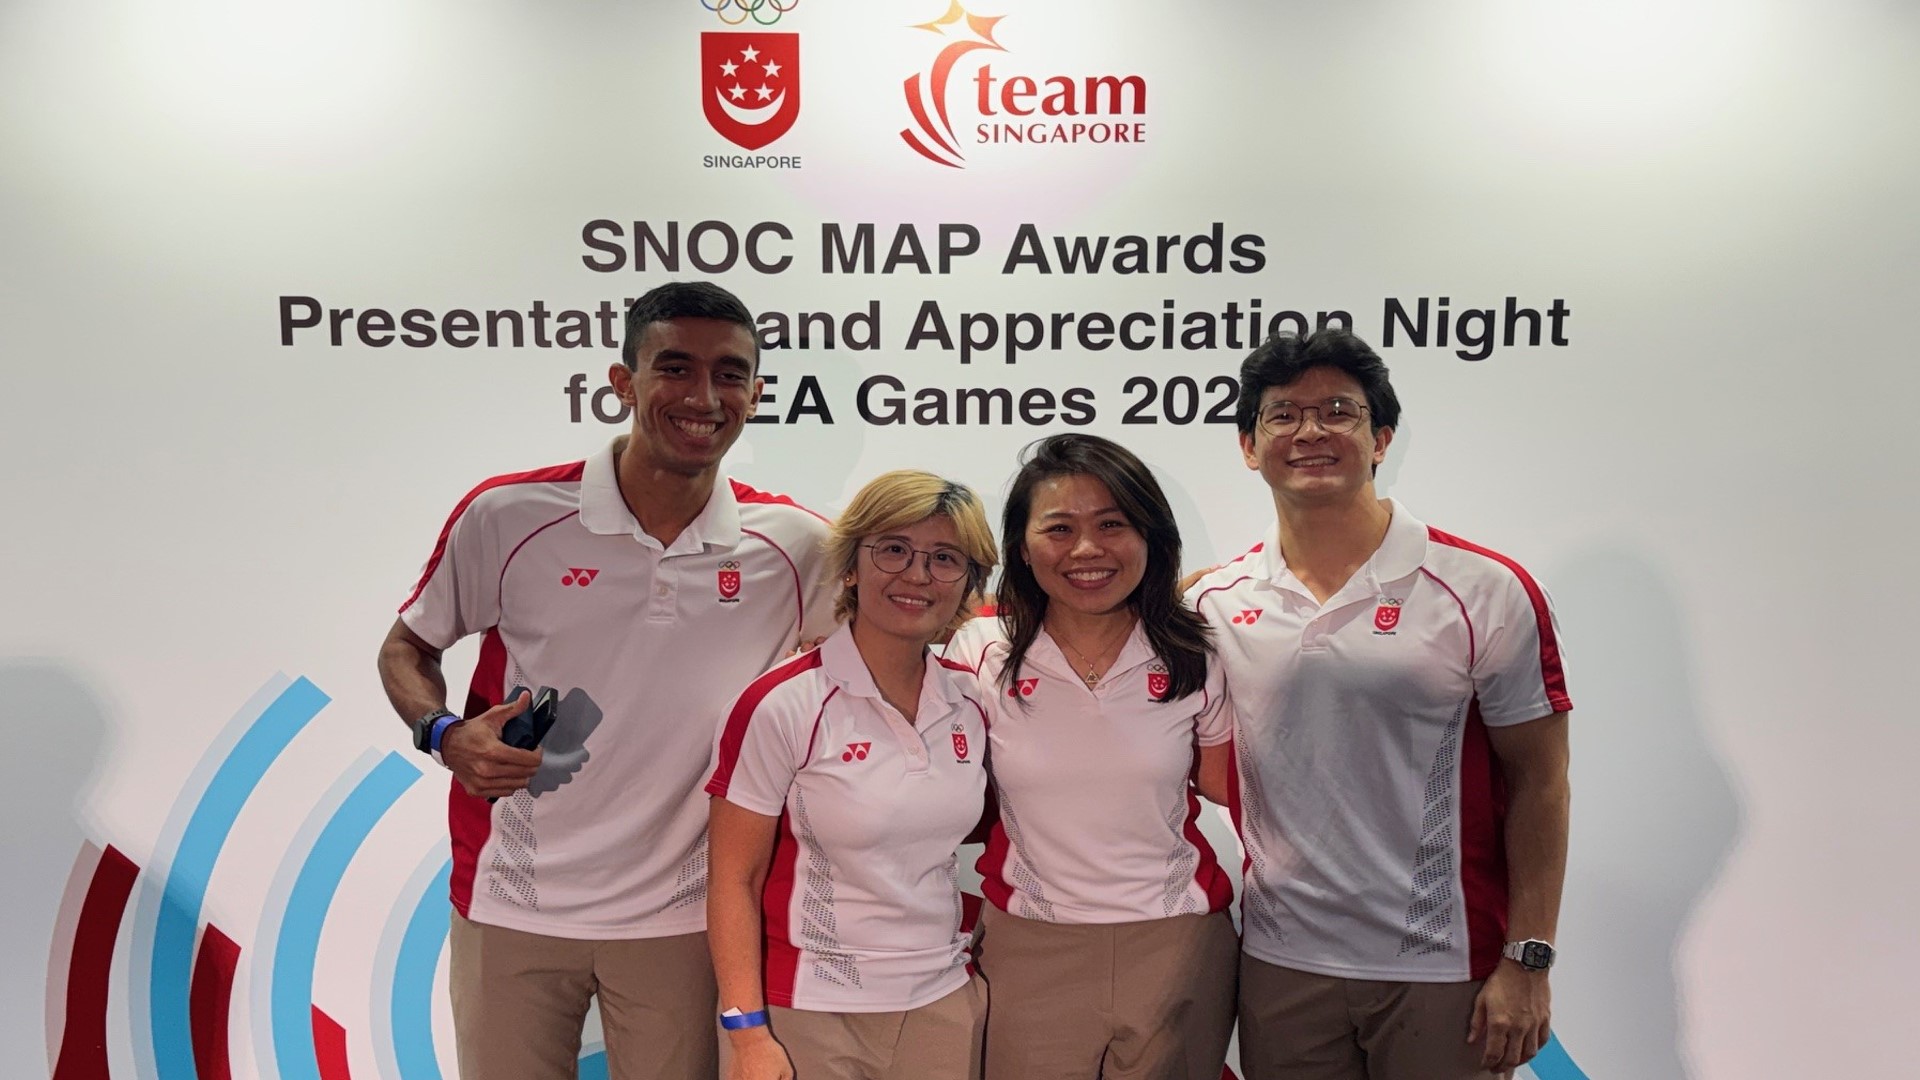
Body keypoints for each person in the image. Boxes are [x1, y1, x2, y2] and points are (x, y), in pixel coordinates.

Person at [376, 281, 836, 1080]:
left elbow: (879, 650)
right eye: (675, 368)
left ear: (757, 394)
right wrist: (445, 735)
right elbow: (405, 650)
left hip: (685, 918)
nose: (704, 397)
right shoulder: (510, 515)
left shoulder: (795, 546)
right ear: (623, 382)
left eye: (729, 374)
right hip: (512, 901)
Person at [1187, 328, 1573, 1080]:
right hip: (1281, 961)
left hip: (1442, 963)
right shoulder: (1212, 603)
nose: (1310, 431)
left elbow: (1542, 781)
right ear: (1248, 446)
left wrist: (1529, 959)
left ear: (1381, 438)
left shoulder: (1485, 590)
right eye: (1282, 415)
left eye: (1339, 411)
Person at [944, 434, 1239, 1080]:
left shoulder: (1196, 650)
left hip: (1179, 944)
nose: (1086, 550)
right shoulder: (979, 651)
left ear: (1151, 537)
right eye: (1059, 528)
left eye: (1112, 525)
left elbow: (1226, 786)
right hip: (1030, 946)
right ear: (1023, 547)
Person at [704, 471, 999, 1080]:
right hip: (808, 1013)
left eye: (945, 558)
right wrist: (746, 1032)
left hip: (942, 1004)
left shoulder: (971, 698)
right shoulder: (782, 703)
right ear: (851, 567)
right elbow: (734, 878)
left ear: (969, 583)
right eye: (893, 550)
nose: (917, 575)